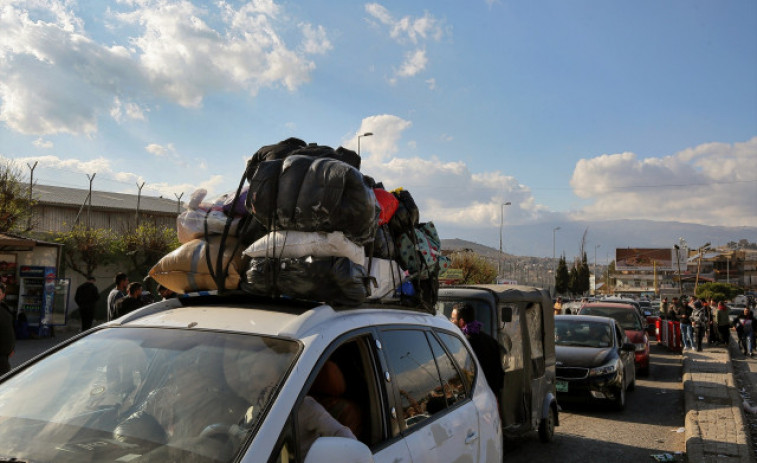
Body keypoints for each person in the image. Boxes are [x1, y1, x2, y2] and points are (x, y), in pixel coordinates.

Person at [450, 303, 504, 398]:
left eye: (453, 319)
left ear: (461, 322)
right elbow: (500, 376)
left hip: (476, 399)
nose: (450, 321)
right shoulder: (491, 341)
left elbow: (467, 376)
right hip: (491, 398)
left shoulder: (464, 345)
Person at [0, 282, 15, 375]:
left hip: (4, 358)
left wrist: (11, 348)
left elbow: (10, 330)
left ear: (3, 295)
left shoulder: (4, 309)